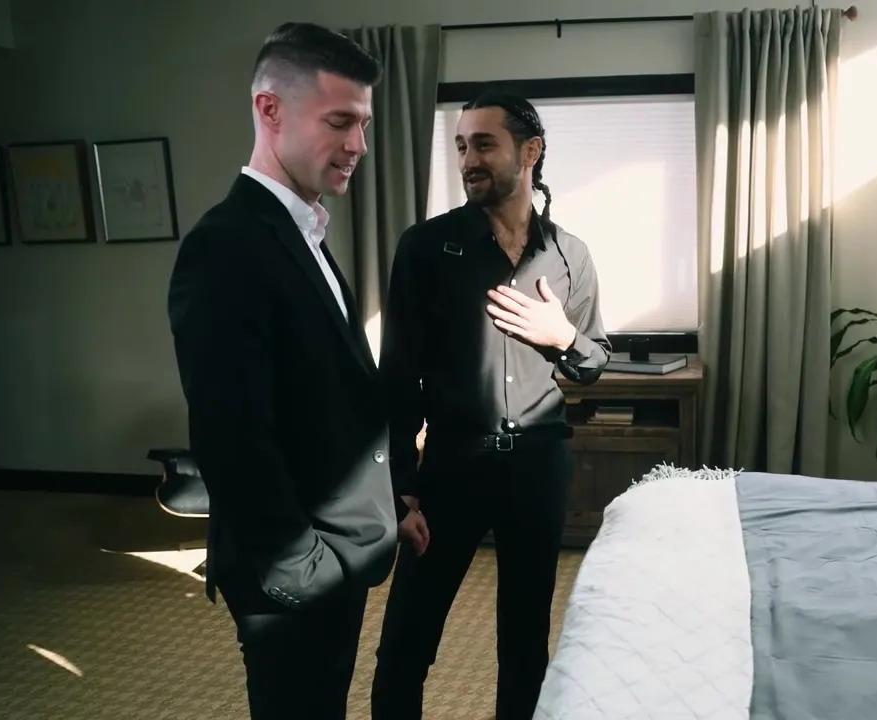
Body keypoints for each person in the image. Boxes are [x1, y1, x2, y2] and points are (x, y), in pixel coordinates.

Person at [166, 22, 430, 720]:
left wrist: (386, 507)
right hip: (294, 577)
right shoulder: (226, 247)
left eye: (364, 124)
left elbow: (331, 399)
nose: (359, 145)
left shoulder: (302, 228)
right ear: (270, 110)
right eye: (340, 122)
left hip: (337, 556)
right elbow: (232, 437)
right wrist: (305, 573)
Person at [370, 91, 611, 719]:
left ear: (530, 152)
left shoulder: (570, 255)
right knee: (406, 640)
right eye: (460, 146)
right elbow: (398, 376)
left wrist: (563, 338)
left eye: (483, 144)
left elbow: (592, 362)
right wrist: (399, 483)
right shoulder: (425, 247)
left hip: (538, 467)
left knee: (526, 642)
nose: (467, 159)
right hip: (451, 467)